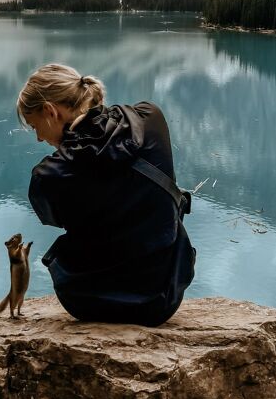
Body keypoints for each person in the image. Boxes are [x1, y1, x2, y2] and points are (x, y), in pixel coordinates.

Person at [17, 63, 196, 326]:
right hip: (163, 296)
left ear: (50, 112)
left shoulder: (49, 176)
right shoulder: (150, 117)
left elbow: (56, 219)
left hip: (90, 300)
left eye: (35, 127)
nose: (39, 138)